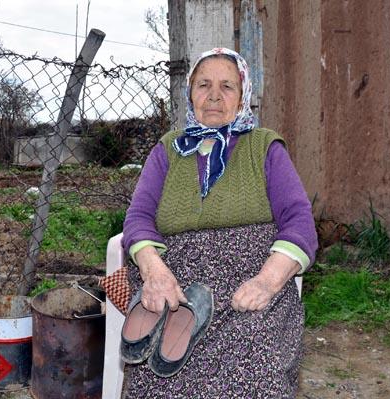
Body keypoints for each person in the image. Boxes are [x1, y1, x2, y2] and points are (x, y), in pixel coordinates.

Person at [122, 47, 317, 398]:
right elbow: (138, 218)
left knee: (257, 356)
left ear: (243, 96)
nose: (214, 96)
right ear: (189, 93)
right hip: (176, 286)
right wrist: (154, 272)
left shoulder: (265, 147)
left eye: (227, 86)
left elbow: (299, 222)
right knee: (156, 375)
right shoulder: (167, 150)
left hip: (249, 284)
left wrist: (267, 282)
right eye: (203, 85)